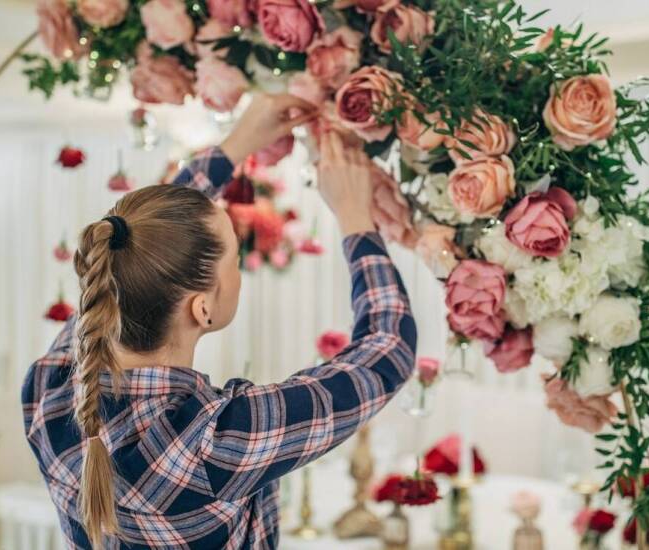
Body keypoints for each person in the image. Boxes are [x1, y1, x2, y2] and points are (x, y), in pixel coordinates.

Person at [21, 93, 417, 550]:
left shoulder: (48, 388)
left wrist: (237, 143)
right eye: (234, 256)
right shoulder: (216, 443)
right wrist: (355, 218)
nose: (239, 266)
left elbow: (139, 243)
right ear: (201, 307)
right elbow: (388, 351)